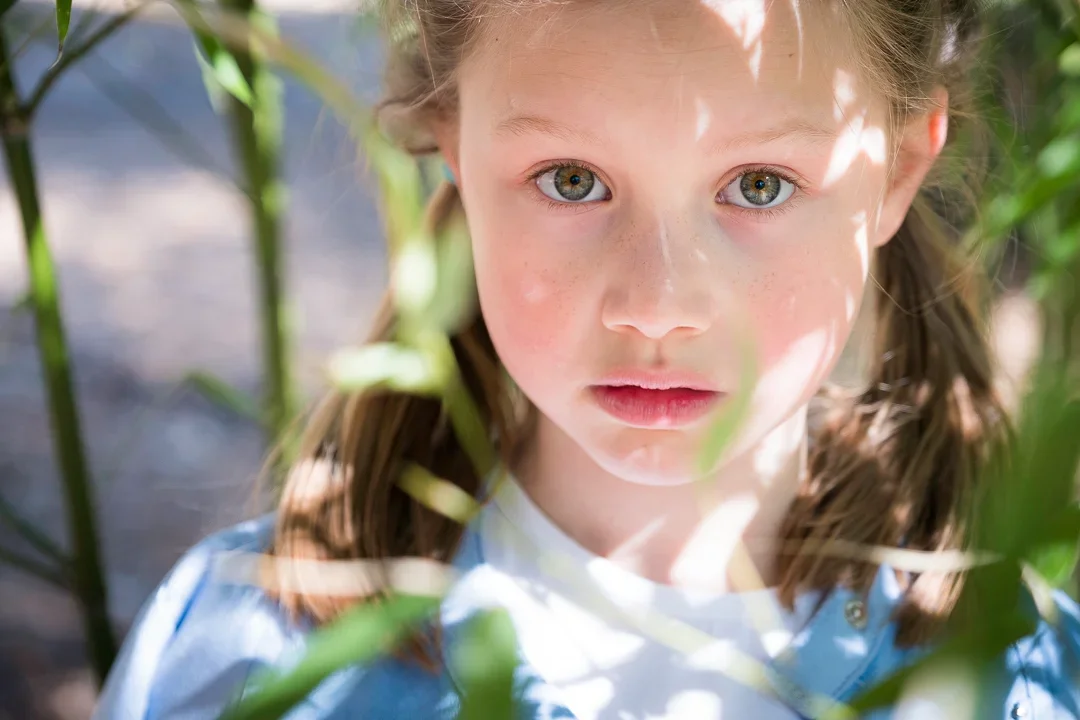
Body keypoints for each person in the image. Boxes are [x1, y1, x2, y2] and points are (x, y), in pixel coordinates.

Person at [94, 0, 1080, 718]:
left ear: (900, 169)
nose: (655, 306)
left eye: (762, 185)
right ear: (453, 150)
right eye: (572, 181)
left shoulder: (1023, 682)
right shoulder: (240, 653)